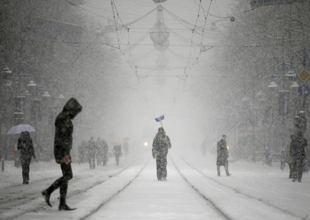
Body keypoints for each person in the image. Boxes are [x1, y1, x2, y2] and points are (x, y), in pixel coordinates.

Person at [41, 98, 82, 211]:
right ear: (72, 109)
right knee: (68, 175)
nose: (76, 115)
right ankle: (48, 191)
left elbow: (64, 137)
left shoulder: (63, 117)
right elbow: (64, 138)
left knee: (66, 175)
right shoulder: (64, 118)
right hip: (62, 151)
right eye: (76, 112)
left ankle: (62, 203)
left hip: (61, 150)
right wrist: (66, 153)